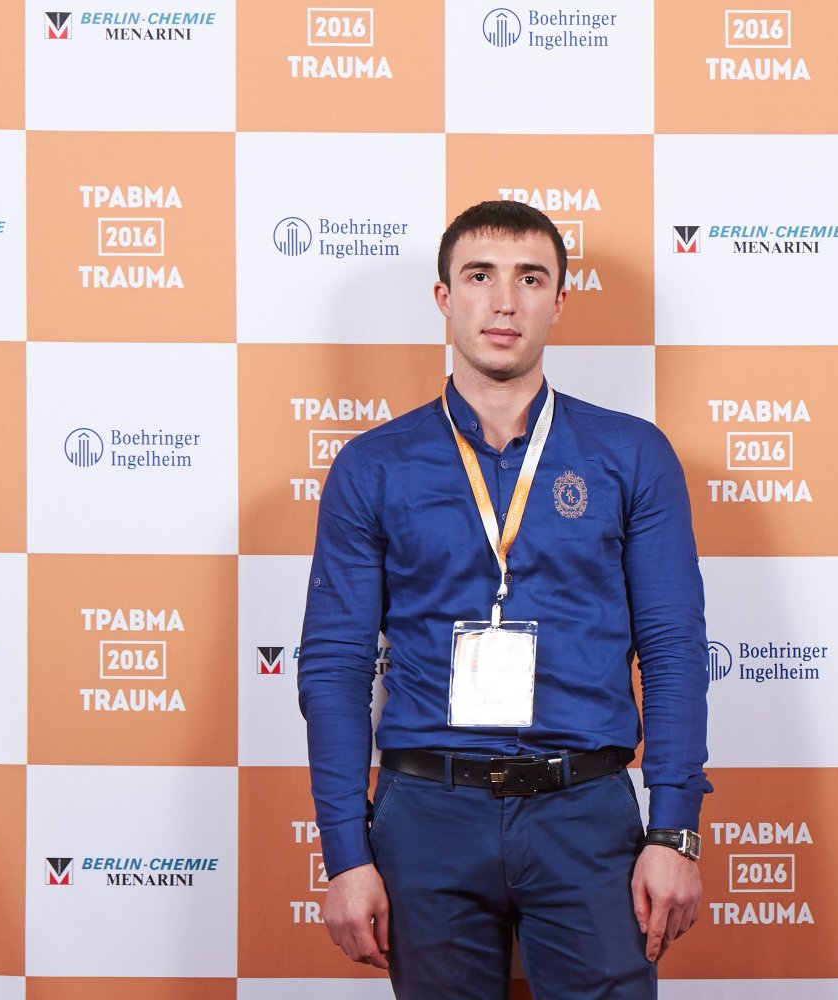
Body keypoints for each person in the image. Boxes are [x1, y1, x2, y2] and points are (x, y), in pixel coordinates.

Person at [297, 199, 711, 999]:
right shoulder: (373, 466)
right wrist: (345, 853)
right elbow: (336, 667)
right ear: (444, 297)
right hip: (427, 814)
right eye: (480, 276)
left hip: (585, 812)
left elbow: (673, 652)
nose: (504, 302)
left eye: (530, 278)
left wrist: (674, 830)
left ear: (559, 301)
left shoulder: (632, 455)